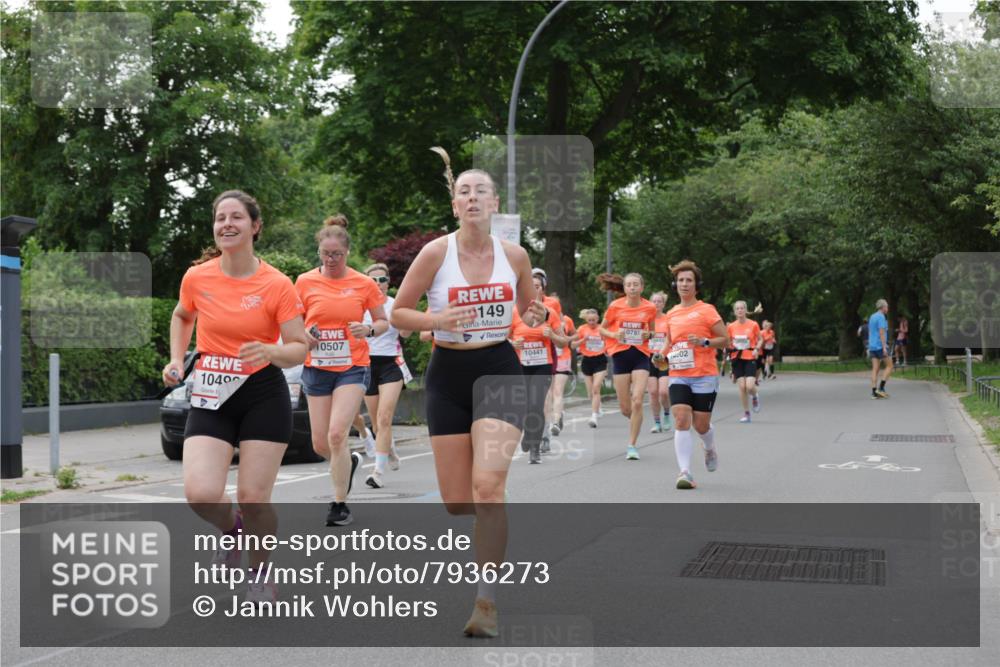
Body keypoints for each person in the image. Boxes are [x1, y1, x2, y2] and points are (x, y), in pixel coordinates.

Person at [390, 148, 548, 638]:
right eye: (464, 191)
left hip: (499, 367)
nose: (473, 197)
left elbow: (530, 309)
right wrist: (436, 320)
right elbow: (397, 313)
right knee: (458, 501)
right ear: (454, 205)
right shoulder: (436, 253)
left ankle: (486, 602)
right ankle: (485, 532)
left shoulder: (515, 255)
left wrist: (537, 315)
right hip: (448, 374)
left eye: (481, 190)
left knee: (487, 490)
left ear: (494, 202)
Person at [162, 190, 308, 604]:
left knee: (254, 497)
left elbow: (299, 345)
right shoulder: (198, 277)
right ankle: (234, 530)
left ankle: (260, 571)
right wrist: (177, 358)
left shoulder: (277, 284)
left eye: (237, 217)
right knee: (201, 493)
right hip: (211, 391)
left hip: (262, 393)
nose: (227, 224)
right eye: (220, 218)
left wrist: (271, 351)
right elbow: (182, 314)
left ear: (255, 226)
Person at [295, 221, 388, 527]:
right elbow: (293, 323)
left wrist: (369, 329)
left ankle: (339, 506)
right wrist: (305, 333)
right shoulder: (304, 282)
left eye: (337, 254)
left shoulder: (363, 283)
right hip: (317, 367)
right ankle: (352, 463)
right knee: (321, 444)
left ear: (347, 252)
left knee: (337, 434)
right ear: (318, 251)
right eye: (325, 253)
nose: (331, 259)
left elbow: (382, 322)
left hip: (352, 365)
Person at [664, 259, 729, 490]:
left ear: (696, 284)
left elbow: (725, 339)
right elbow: (668, 343)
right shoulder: (670, 314)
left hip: (704, 374)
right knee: (681, 419)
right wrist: (660, 357)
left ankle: (709, 447)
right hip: (678, 373)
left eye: (688, 280)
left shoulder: (706, 310)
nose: (684, 284)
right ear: (675, 285)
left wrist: (705, 341)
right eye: (680, 280)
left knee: (701, 426)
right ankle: (685, 472)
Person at [362, 262, 412, 488]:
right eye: (373, 280)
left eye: (382, 280)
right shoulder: (359, 307)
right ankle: (388, 449)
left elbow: (406, 333)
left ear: (388, 282)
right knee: (375, 424)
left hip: (390, 364)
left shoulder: (394, 305)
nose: (378, 284)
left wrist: (408, 317)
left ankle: (377, 472)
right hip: (366, 366)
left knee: (384, 418)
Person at [510, 279, 569, 464]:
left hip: (543, 366)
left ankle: (535, 448)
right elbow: (502, 339)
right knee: (524, 407)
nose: (532, 289)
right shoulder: (514, 312)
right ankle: (528, 435)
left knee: (536, 405)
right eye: (529, 286)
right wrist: (513, 343)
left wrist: (551, 335)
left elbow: (563, 341)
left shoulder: (549, 313)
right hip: (520, 366)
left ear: (541, 290)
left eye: (536, 286)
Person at [599, 273, 657, 461]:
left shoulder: (649, 307)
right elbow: (602, 328)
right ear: (624, 289)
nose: (632, 287)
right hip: (620, 356)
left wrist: (649, 335)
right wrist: (615, 335)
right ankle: (636, 419)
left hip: (641, 355)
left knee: (638, 400)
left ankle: (632, 445)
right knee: (626, 408)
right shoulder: (615, 306)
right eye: (629, 285)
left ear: (642, 287)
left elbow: (653, 331)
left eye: (635, 284)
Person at [727, 301, 763, 423]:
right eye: (737, 308)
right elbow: (728, 343)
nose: (740, 310)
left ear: (745, 310)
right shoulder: (731, 326)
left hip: (750, 357)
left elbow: (760, 339)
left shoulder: (753, 324)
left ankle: (755, 396)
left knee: (750, 386)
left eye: (742, 308)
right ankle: (746, 414)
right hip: (737, 358)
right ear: (735, 311)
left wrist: (757, 349)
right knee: (742, 387)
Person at [575, 308, 609, 428]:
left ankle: (594, 416)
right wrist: (583, 340)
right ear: (586, 320)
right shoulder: (582, 329)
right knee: (590, 393)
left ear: (598, 319)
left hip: (600, 360)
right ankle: (598, 408)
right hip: (587, 361)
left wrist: (608, 349)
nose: (592, 322)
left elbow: (609, 342)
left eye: (594, 320)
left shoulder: (602, 329)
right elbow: (573, 344)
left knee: (596, 388)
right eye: (589, 320)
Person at [548, 306, 576, 439]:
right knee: (549, 393)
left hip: (563, 358)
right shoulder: (543, 319)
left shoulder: (567, 320)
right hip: (548, 359)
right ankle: (558, 414)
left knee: (558, 391)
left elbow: (576, 334)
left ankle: (555, 423)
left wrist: (566, 340)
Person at [647, 291, 671, 433]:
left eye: (659, 301)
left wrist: (662, 353)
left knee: (663, 392)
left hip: (663, 359)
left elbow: (671, 339)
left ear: (663, 304)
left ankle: (667, 415)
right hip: (649, 359)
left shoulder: (668, 319)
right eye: (654, 301)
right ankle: (657, 422)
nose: (656, 304)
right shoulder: (646, 321)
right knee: (653, 392)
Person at [868, 299, 893, 399]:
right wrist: (884, 347)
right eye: (886, 307)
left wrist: (870, 344)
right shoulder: (881, 317)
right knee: (890, 366)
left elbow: (870, 331)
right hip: (879, 346)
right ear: (883, 307)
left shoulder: (872, 316)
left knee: (875, 369)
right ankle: (881, 388)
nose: (887, 309)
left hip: (872, 346)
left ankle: (874, 392)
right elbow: (882, 332)